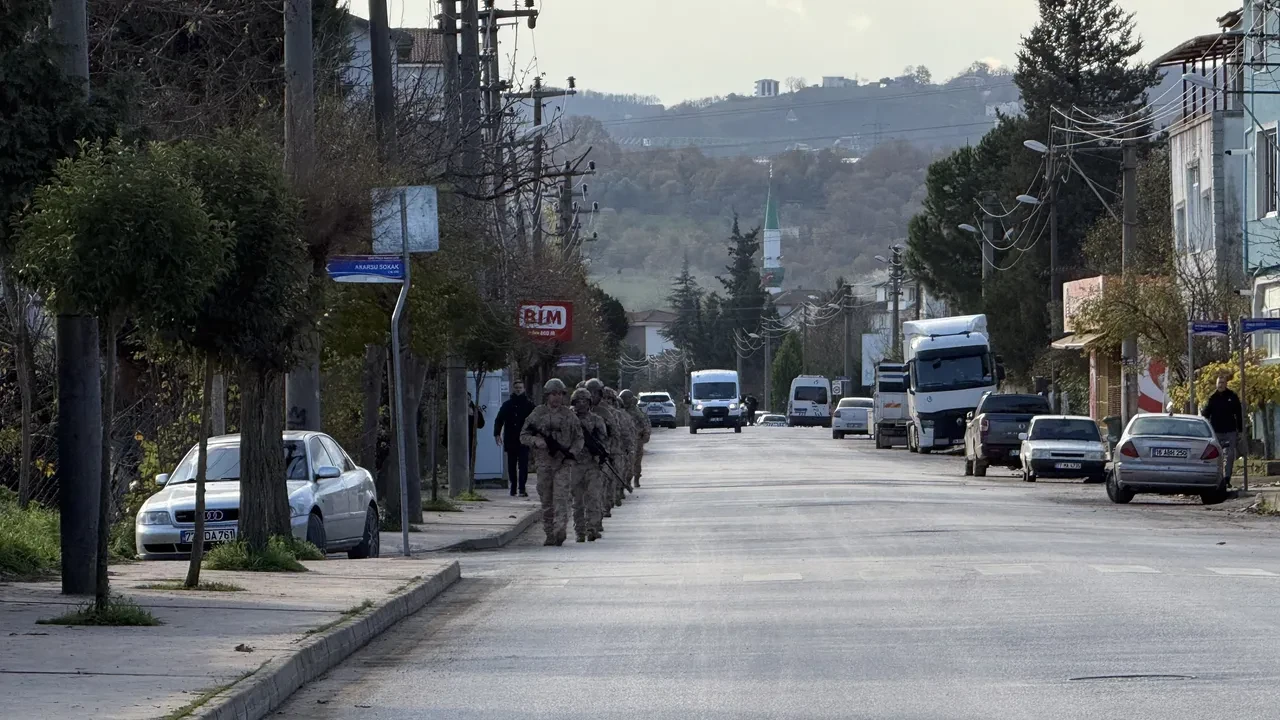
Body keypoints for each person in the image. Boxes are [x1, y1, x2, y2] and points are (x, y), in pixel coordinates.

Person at [520, 379, 583, 546]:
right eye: (553, 394)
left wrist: (571, 453)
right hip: (543, 464)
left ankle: (560, 529)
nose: (556, 398)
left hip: (562, 464)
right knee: (547, 501)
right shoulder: (537, 413)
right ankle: (549, 533)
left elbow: (579, 438)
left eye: (559, 394)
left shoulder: (569, 415)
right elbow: (523, 435)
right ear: (547, 395)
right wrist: (535, 441)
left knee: (561, 498)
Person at [570, 388, 607, 542]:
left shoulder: (597, 420)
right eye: (579, 401)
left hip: (592, 464)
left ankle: (592, 527)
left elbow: (604, 440)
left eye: (585, 400)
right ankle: (579, 531)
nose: (582, 404)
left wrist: (601, 455)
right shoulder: (569, 420)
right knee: (577, 500)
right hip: (575, 464)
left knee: (593, 497)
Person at [493, 381, 535, 497]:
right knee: (511, 465)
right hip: (511, 439)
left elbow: (536, 421)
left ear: (524, 389)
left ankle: (522, 488)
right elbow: (499, 419)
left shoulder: (529, 405)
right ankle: (513, 486)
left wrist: (535, 436)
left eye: (520, 388)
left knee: (523, 465)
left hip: (524, 439)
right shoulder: (507, 405)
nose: (518, 390)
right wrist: (497, 434)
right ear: (513, 389)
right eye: (516, 388)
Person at [1202, 374, 1244, 484]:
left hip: (1230, 431)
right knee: (1216, 456)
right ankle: (1218, 478)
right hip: (1216, 432)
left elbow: (1238, 414)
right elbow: (1205, 414)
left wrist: (1240, 430)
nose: (1220, 385)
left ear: (1226, 384)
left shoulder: (1232, 396)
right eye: (1219, 383)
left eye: (1222, 382)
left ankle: (1227, 479)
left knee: (1229, 456)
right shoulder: (1212, 398)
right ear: (1216, 384)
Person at [621, 389, 651, 488]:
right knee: (625, 462)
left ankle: (636, 478)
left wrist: (645, 435)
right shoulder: (620, 411)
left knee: (636, 462)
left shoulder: (636, 411)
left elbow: (645, 423)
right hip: (623, 441)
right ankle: (626, 481)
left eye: (626, 399)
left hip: (636, 440)